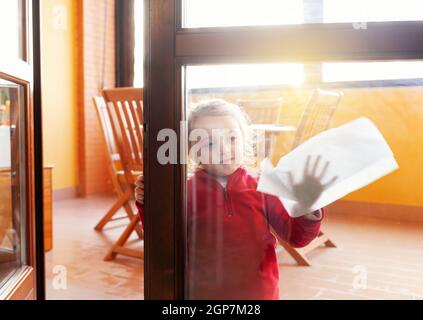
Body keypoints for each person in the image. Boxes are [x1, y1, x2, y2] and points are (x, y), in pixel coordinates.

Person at [135, 99, 337, 300]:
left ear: (245, 140)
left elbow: (298, 238)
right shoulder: (184, 192)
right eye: (210, 143)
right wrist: (148, 204)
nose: (224, 149)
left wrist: (308, 209)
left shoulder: (265, 187)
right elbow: (161, 239)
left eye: (232, 138)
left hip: (259, 295)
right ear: (191, 151)